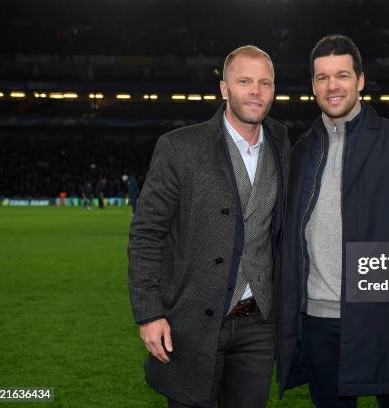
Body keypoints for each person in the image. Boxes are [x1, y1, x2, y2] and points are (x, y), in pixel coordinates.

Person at [275, 35, 389, 408]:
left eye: (341, 75)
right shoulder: (301, 151)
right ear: (312, 86)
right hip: (319, 323)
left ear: (361, 80)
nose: (332, 86)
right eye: (322, 78)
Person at [127, 45, 289, 408]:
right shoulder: (179, 147)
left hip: (258, 325)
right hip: (193, 323)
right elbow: (146, 235)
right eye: (244, 81)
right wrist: (149, 313)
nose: (256, 91)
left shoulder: (281, 141)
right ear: (224, 88)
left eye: (265, 82)